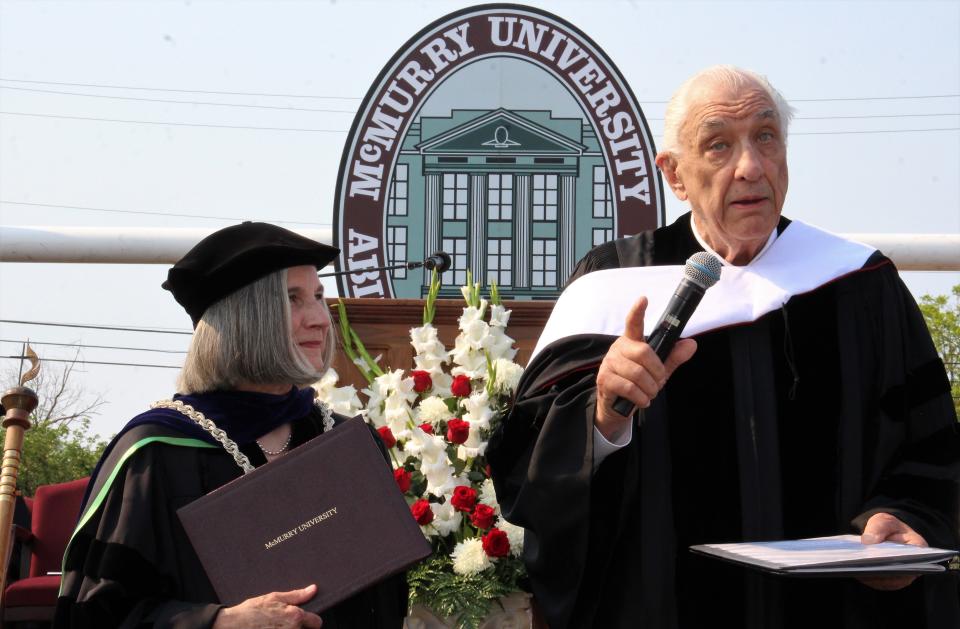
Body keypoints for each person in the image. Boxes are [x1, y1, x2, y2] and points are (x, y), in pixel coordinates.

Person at [487, 66, 960, 629]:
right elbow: (530, 477)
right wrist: (601, 417)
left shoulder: (859, 285)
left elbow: (930, 445)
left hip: (838, 611)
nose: (751, 167)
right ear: (674, 175)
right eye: (718, 145)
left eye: (766, 137)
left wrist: (907, 516)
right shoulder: (610, 285)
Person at [54, 222, 407, 628]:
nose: (320, 319)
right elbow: (96, 614)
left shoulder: (345, 441)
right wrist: (218, 622)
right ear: (243, 318)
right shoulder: (156, 453)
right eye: (293, 299)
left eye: (318, 296)